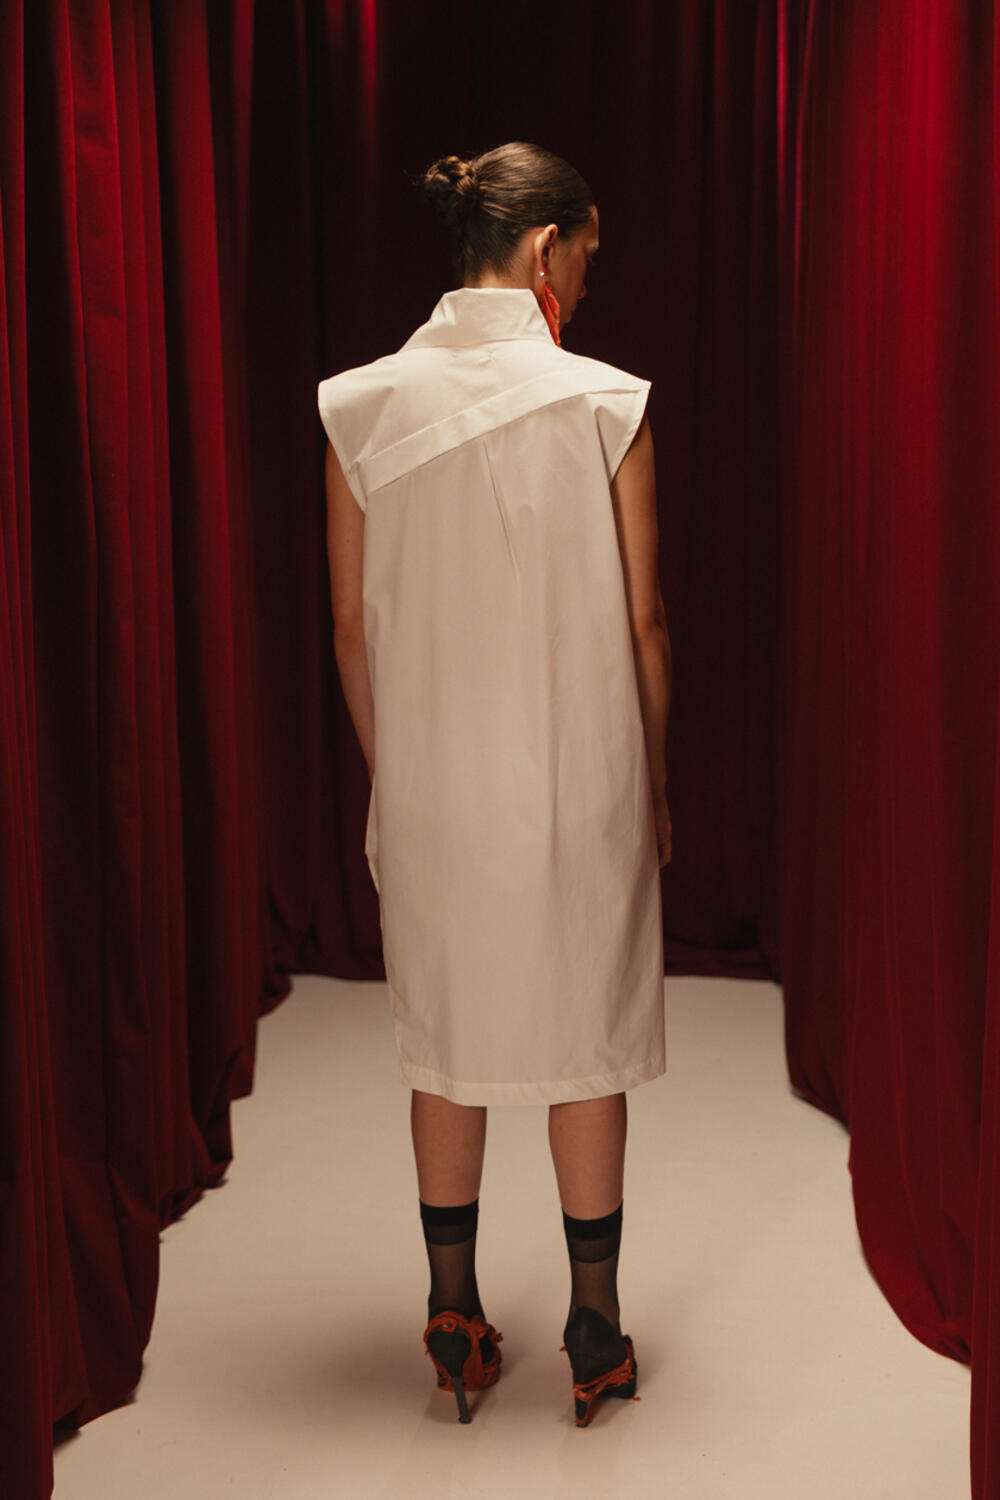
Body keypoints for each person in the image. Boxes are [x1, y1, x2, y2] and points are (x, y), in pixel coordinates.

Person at [317, 140, 673, 1428]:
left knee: (447, 1041)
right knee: (587, 1041)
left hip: (433, 791)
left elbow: (350, 630)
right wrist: (655, 788)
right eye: (586, 255)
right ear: (543, 250)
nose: (587, 279)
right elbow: (645, 625)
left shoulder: (358, 405)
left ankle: (453, 1318)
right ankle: (595, 1331)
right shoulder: (606, 404)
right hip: (583, 780)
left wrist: (398, 777)